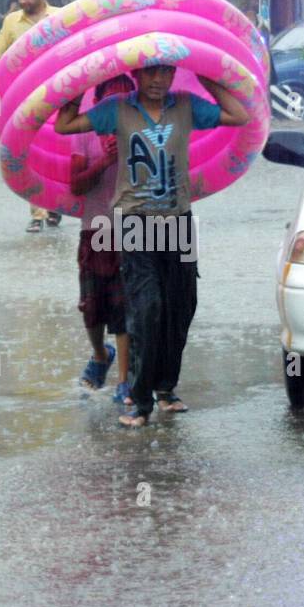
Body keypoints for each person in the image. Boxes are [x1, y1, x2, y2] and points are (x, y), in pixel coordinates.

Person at [54, 65, 249, 428]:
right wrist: (77, 82)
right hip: (135, 220)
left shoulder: (187, 106)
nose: (158, 81)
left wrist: (205, 72)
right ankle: (138, 400)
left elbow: (238, 115)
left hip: (178, 220)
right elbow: (65, 125)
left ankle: (166, 389)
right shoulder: (118, 108)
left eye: (166, 72)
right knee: (147, 307)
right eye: (150, 73)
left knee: (182, 306)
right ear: (137, 74)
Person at [69, 75, 136, 403]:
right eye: (111, 101)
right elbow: (76, 185)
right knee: (92, 308)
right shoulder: (84, 136)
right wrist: (103, 161)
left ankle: (125, 379)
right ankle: (100, 355)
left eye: (126, 100)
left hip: (132, 230)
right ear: (99, 104)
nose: (119, 107)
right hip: (95, 229)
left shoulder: (143, 134)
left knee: (123, 306)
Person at [0, 0, 63, 233]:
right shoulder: (12, 22)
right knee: (31, 154)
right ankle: (37, 212)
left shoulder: (60, 17)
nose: (23, 1)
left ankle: (56, 205)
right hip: (24, 100)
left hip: (58, 96)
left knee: (56, 153)